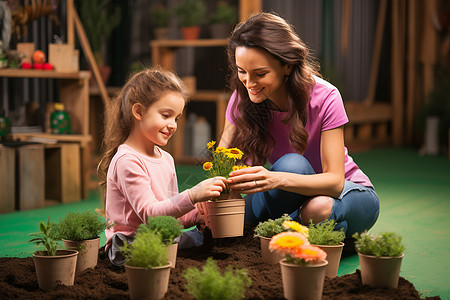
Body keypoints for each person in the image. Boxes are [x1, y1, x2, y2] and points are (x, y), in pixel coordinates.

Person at [219, 13, 380, 238]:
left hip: (344, 194)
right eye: (241, 71)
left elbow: (334, 182)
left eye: (260, 73)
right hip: (286, 195)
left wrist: (274, 178)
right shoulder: (243, 97)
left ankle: (296, 229)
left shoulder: (326, 97)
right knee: (230, 216)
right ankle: (319, 234)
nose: (249, 83)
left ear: (287, 66)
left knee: (313, 201)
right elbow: (221, 164)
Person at [97, 68, 227, 265]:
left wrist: (196, 215)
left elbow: (169, 217)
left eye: (176, 118)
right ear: (139, 111)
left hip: (158, 236)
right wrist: (192, 195)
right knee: (194, 243)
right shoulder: (128, 160)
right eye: (166, 115)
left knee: (203, 238)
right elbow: (151, 215)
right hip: (129, 244)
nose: (173, 125)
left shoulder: (165, 158)